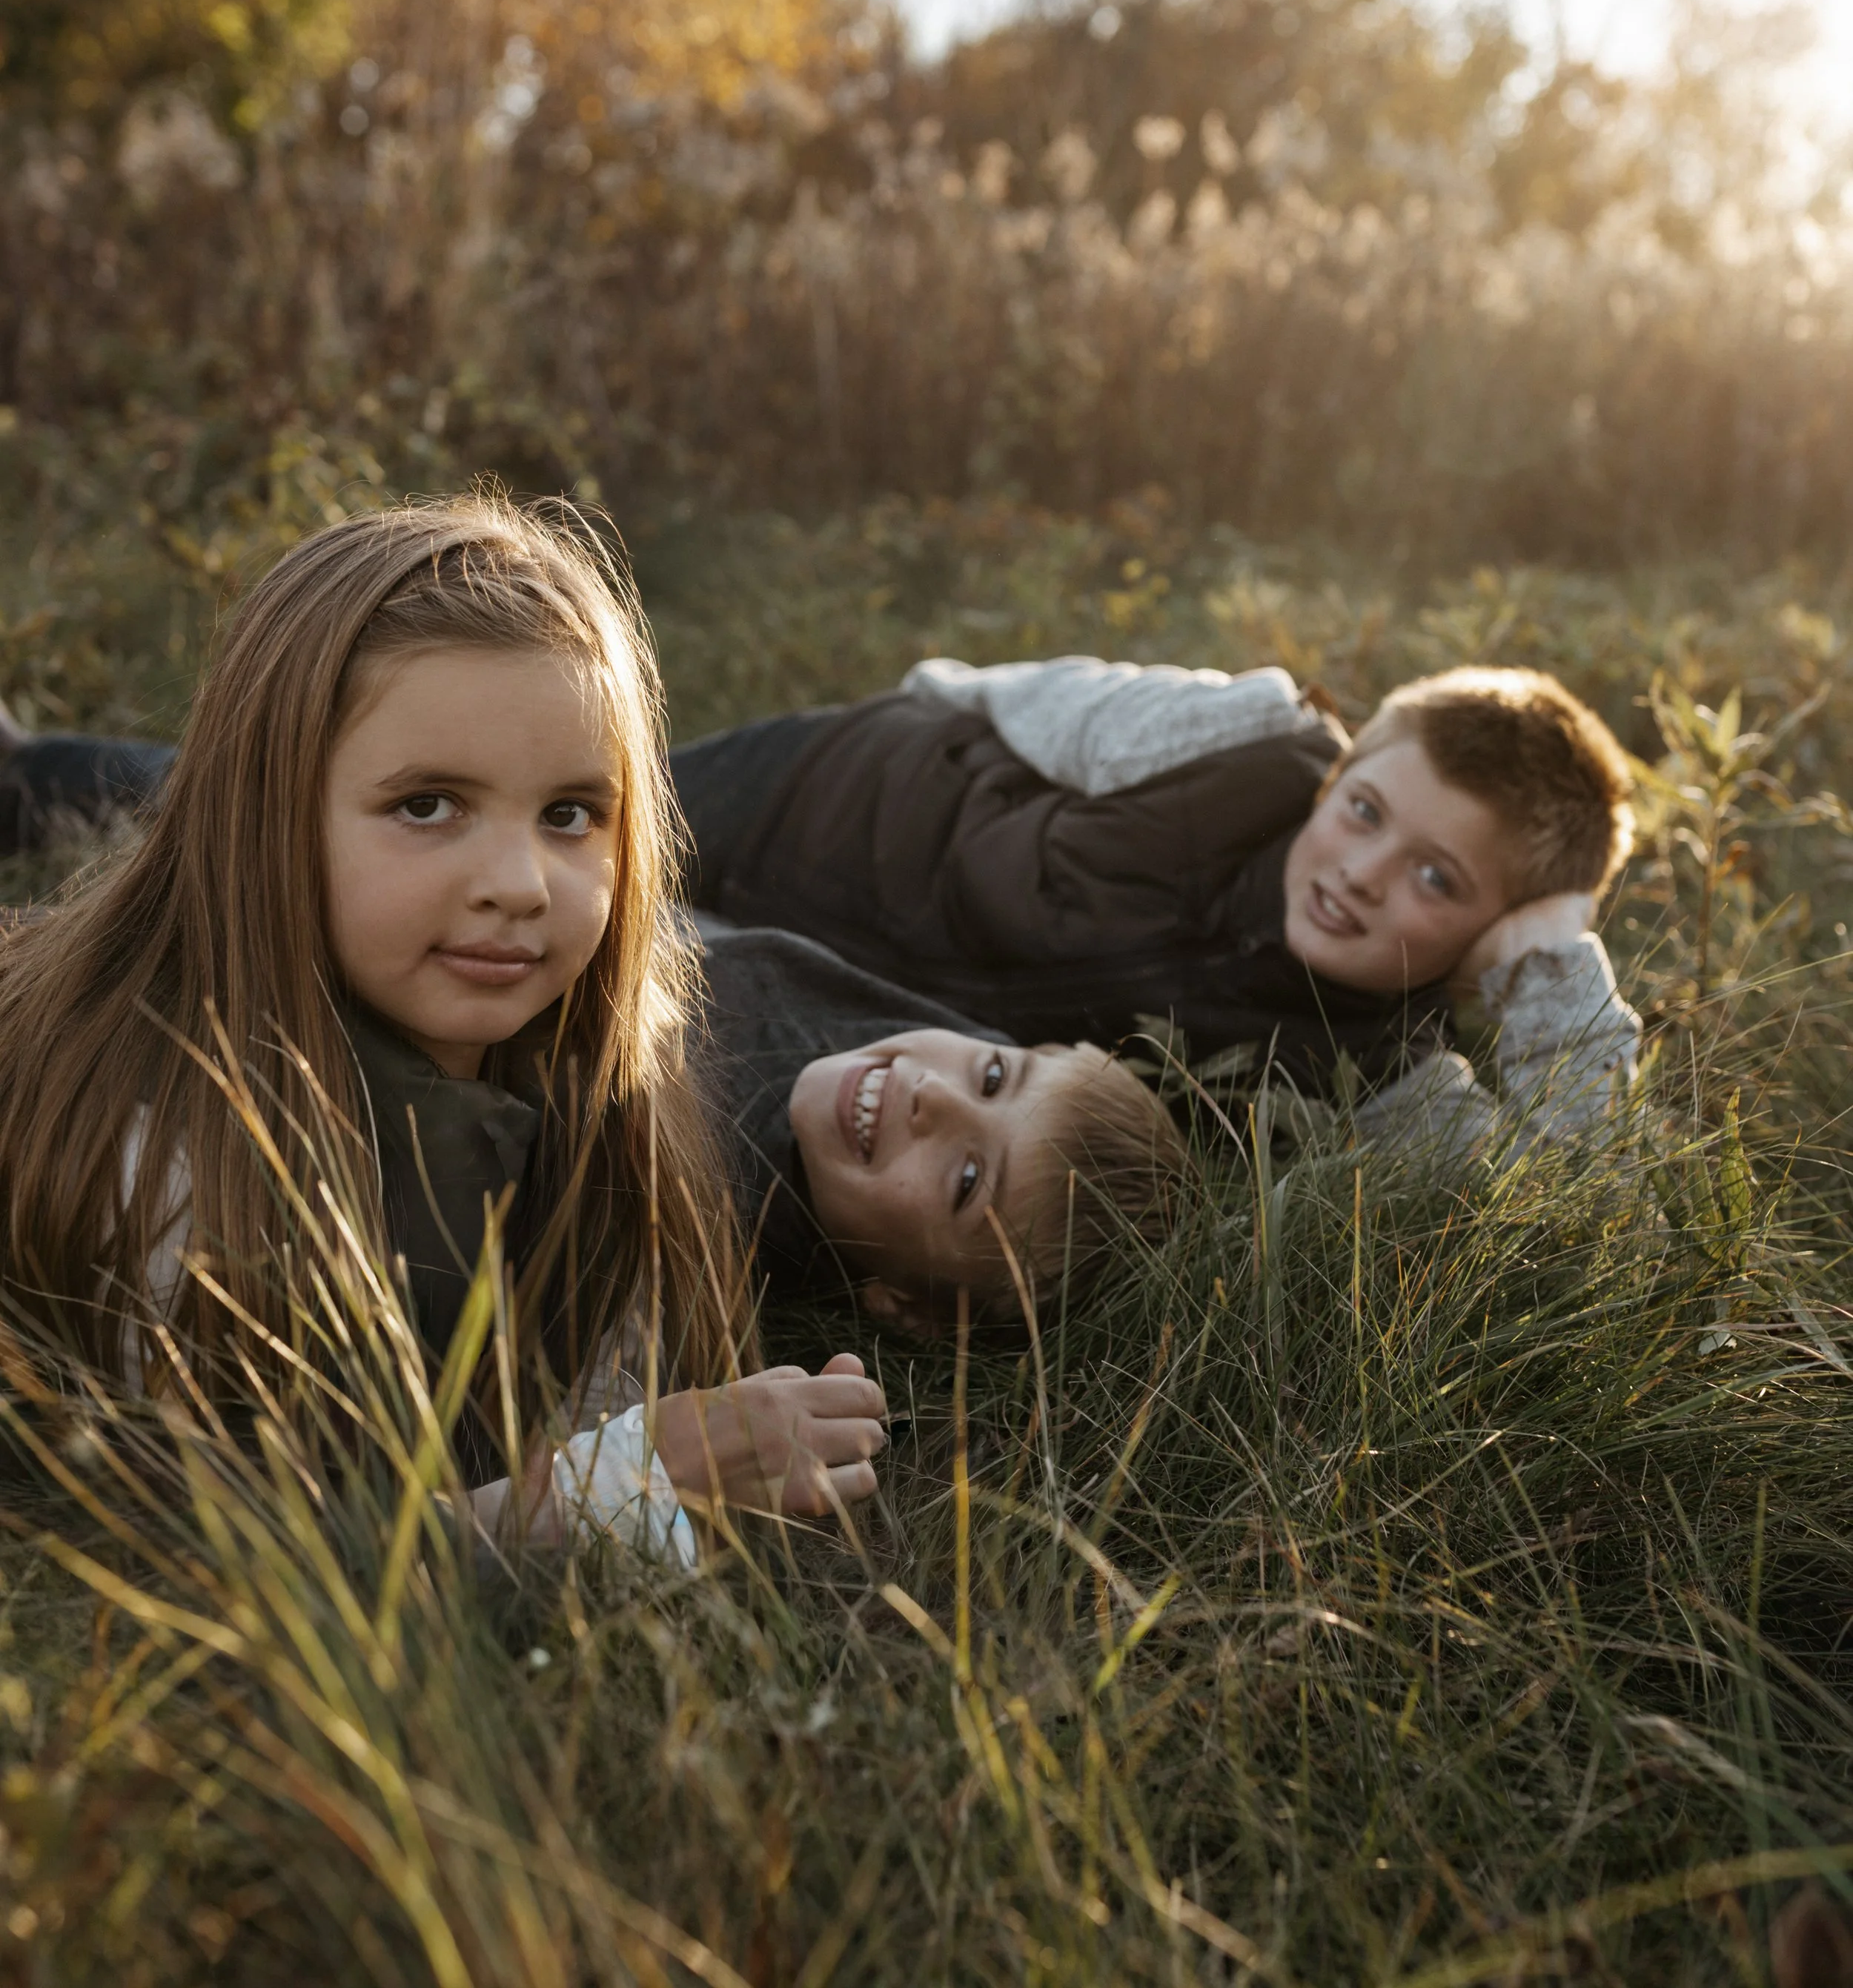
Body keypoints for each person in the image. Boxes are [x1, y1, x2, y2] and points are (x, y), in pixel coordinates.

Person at [0, 499, 888, 1555]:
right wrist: (613, 1489)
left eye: (569, 814)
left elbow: (584, 1402)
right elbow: (244, 1576)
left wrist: (704, 1444)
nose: (518, 886)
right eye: (428, 805)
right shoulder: (165, 1145)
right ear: (263, 815)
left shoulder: (598, 1086)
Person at [669, 655, 1644, 1145]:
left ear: (1492, 937)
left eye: (1439, 879)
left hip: (830, 990)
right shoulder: (1243, 738)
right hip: (825, 789)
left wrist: (1551, 971)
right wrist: (919, 700)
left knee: (612, 1004)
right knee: (569, 836)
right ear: (1337, 776)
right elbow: (1034, 698)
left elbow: (1579, 1213)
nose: (1363, 871)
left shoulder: (1389, 1080)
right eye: (1364, 812)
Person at [697, 921, 1186, 1334]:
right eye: (993, 1078)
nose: (933, 1092)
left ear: (908, 1307)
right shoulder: (816, 988)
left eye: (968, 1181)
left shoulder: (683, 1245)